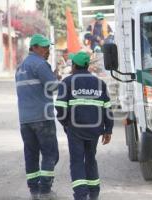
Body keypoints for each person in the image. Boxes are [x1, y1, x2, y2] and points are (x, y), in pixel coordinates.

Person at [54, 51, 114, 200]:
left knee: (77, 161)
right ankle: (94, 194)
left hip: (75, 129)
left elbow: (60, 108)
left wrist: (66, 124)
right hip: (94, 130)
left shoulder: (67, 82)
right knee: (90, 159)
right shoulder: (100, 83)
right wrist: (108, 130)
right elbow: (107, 109)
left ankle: (81, 195)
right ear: (87, 66)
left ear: (74, 65)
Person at [15, 34, 60, 200]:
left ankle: (34, 191)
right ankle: (45, 190)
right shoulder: (40, 64)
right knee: (51, 154)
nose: (47, 50)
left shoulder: (20, 67)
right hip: (42, 117)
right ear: (34, 47)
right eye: (44, 47)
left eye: (48, 47)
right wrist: (58, 79)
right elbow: (54, 86)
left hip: (25, 120)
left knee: (31, 154)